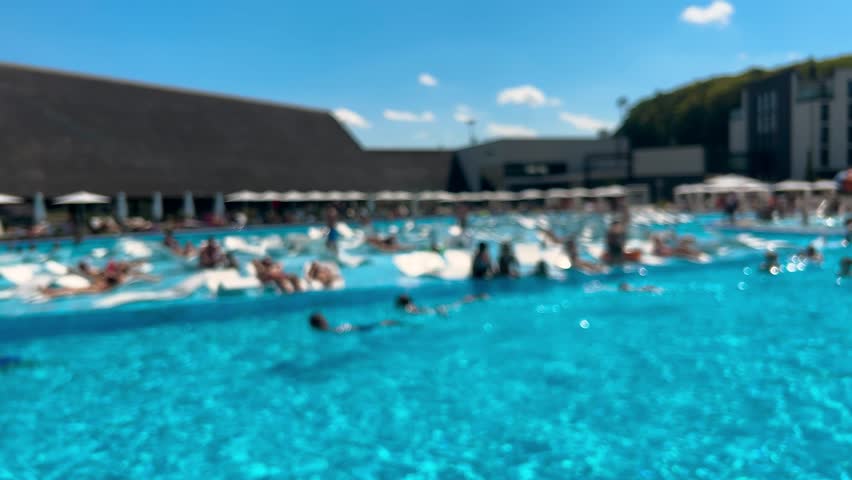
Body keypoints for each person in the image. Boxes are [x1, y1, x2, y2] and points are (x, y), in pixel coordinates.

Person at [308, 312, 401, 334]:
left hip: (350, 329)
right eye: (323, 318)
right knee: (378, 325)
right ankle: (386, 323)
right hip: (351, 330)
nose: (326, 319)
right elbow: (337, 331)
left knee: (376, 325)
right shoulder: (325, 329)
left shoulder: (323, 329)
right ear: (320, 322)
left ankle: (386, 323)